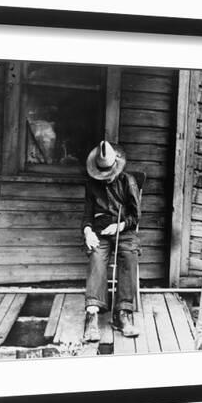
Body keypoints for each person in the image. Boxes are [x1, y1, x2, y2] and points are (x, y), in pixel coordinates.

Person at [82, 141, 142, 341]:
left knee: (128, 256)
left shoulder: (128, 181)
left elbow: (135, 217)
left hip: (123, 229)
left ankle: (123, 313)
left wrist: (120, 226)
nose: (105, 178)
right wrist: (88, 231)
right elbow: (87, 215)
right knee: (96, 256)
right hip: (100, 230)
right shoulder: (91, 184)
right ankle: (92, 315)